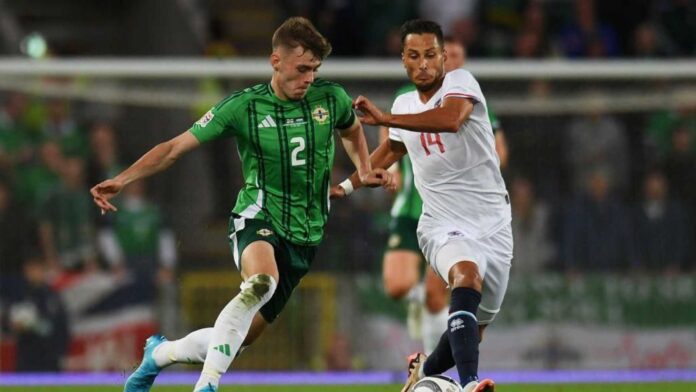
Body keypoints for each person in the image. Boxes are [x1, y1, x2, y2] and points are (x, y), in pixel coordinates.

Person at [90, 17, 392, 392]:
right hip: (256, 218)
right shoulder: (244, 107)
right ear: (275, 61)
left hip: (306, 236)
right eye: (301, 69)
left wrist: (364, 169)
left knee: (238, 338)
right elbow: (174, 148)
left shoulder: (331, 98)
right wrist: (123, 178)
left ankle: (160, 354)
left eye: (314, 70)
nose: (309, 79)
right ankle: (208, 384)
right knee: (262, 281)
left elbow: (351, 129)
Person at [334, 20, 511, 392]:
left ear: (444, 56)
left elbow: (451, 120)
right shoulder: (404, 104)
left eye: (431, 55)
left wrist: (384, 118)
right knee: (465, 275)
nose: (424, 63)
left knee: (472, 332)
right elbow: (391, 149)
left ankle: (422, 370)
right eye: (414, 56)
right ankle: (469, 385)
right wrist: (347, 186)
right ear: (404, 60)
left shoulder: (461, 83)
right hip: (441, 223)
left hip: (494, 225)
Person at [378, 36, 508, 356]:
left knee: (441, 295)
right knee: (397, 286)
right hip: (411, 205)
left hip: (455, 216)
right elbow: (389, 137)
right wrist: (383, 172)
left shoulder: (468, 99)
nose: (452, 63)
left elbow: (499, 150)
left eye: (458, 57)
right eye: (447, 56)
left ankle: (430, 371)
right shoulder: (407, 99)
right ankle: (426, 328)